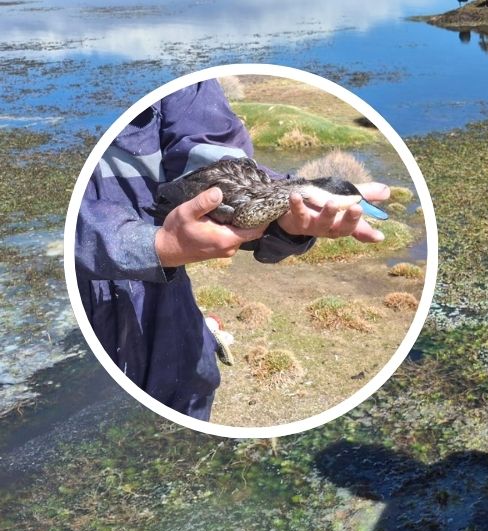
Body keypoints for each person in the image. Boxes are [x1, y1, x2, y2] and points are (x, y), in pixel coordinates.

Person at [74, 79, 388, 421]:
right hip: (82, 316)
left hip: (168, 323)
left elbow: (214, 154)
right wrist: (157, 246)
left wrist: (285, 224)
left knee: (185, 398)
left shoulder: (184, 81)